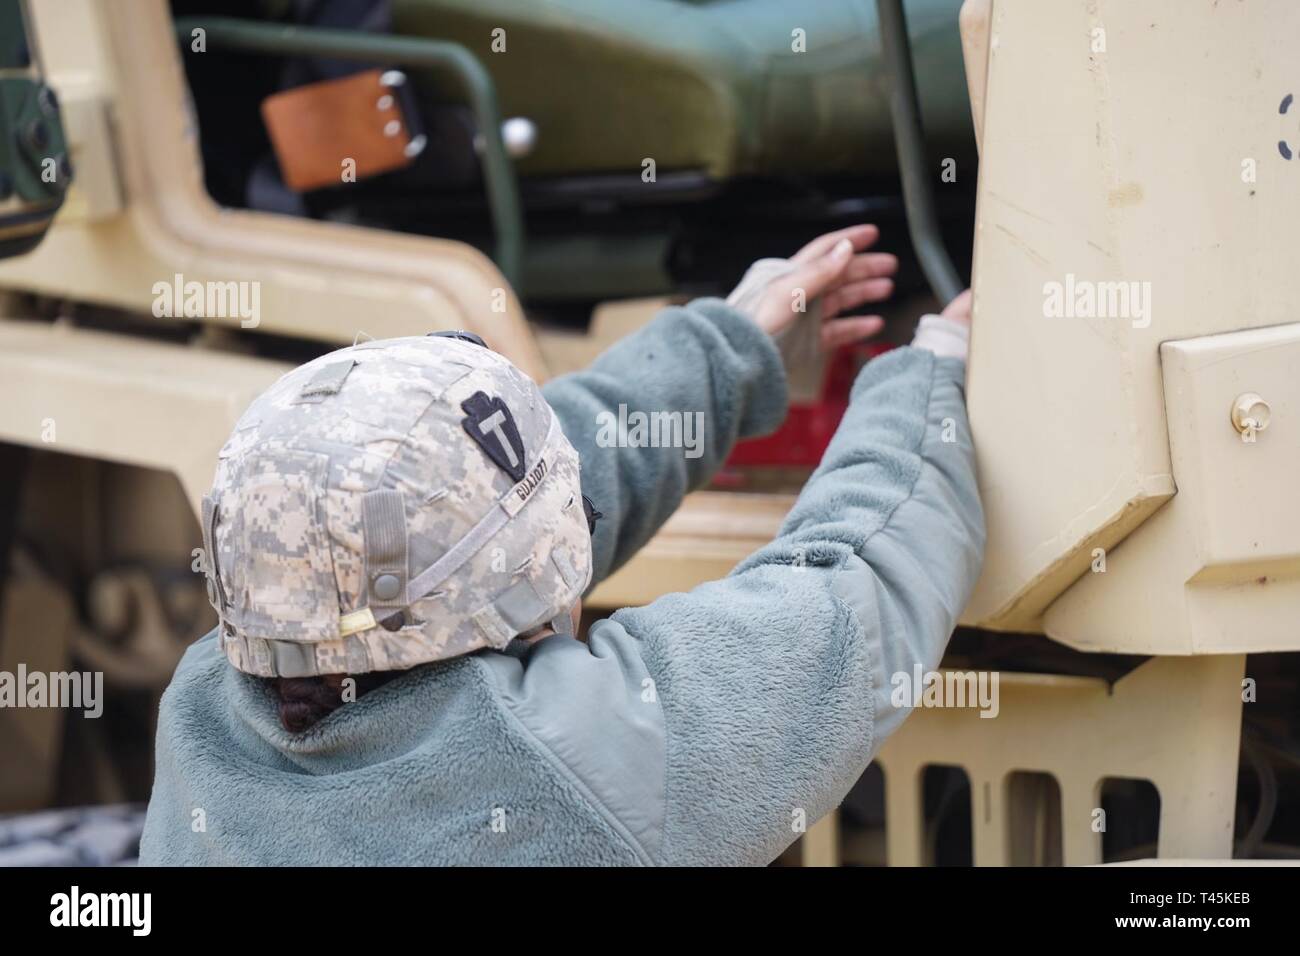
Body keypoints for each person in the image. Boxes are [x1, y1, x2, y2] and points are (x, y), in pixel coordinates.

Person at [140, 224, 983, 866]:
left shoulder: (204, 716)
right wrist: (934, 370)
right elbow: (858, 590)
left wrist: (726, 348)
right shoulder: (585, 759)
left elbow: (459, 536)